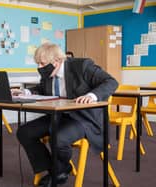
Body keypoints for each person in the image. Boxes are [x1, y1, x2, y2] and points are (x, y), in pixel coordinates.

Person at [13, 43, 118, 186]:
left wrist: (92, 95)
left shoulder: (82, 66)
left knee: (58, 137)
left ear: (57, 61)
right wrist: (26, 92)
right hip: (59, 116)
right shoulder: (48, 73)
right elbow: (41, 88)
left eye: (42, 63)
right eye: (38, 63)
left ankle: (59, 172)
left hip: (84, 118)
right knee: (24, 132)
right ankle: (57, 169)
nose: (39, 67)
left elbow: (111, 82)